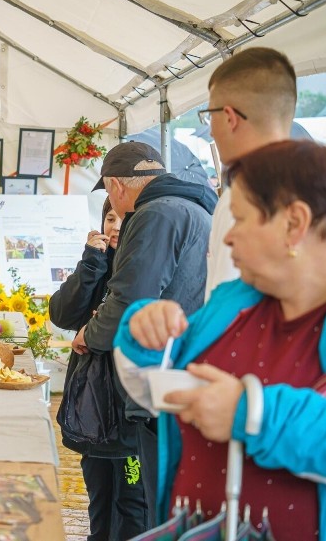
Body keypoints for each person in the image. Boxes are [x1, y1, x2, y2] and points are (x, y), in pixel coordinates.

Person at [114, 140, 326, 540]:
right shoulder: (232, 305)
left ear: (294, 224)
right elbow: (158, 392)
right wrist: (143, 338)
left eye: (241, 220)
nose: (228, 239)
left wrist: (251, 412)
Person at [74, 141, 218, 527]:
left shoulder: (154, 214)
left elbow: (130, 297)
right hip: (182, 372)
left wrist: (90, 334)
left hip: (161, 376)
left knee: (156, 501)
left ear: (116, 186)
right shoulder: (190, 207)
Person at [51, 199, 148, 540]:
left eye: (125, 218)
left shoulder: (143, 269)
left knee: (132, 503)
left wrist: (99, 330)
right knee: (99, 498)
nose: (116, 225)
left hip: (129, 415)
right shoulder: (97, 263)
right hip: (93, 411)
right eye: (110, 217)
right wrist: (91, 263)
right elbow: (62, 314)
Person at [202, 47, 296, 300]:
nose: (210, 131)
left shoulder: (242, 199)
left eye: (209, 115)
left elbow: (225, 311)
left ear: (230, 117)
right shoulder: (315, 185)